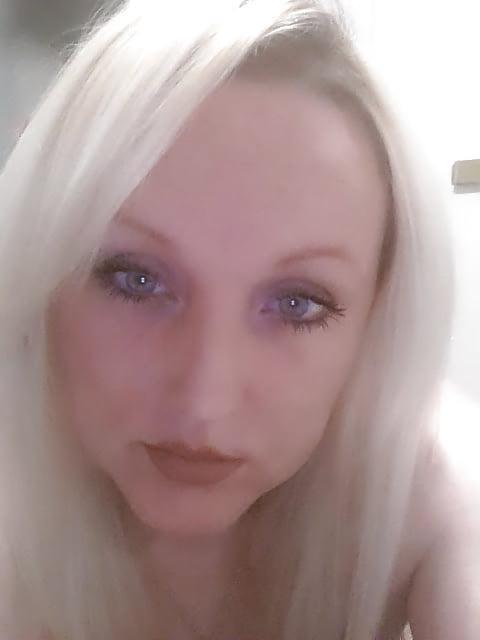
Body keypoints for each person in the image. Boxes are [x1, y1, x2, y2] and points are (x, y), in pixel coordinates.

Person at [0, 1, 478, 638]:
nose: (205, 401)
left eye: (298, 303)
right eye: (136, 280)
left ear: (376, 315)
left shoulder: (426, 483)